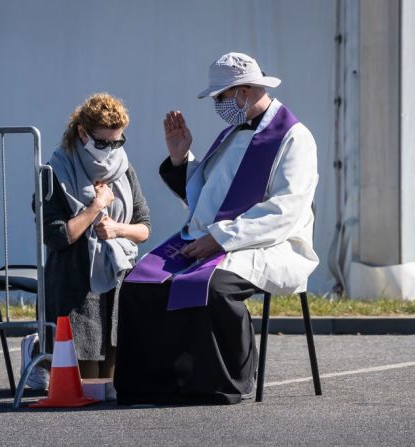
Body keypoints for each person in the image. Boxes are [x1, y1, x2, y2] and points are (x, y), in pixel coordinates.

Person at [114, 52, 319, 405]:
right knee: (139, 286)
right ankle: (156, 384)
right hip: (209, 237)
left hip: (270, 242)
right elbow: (207, 195)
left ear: (247, 90)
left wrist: (221, 239)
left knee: (213, 286)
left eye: (222, 97)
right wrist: (181, 158)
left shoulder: (294, 138)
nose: (219, 105)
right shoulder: (231, 135)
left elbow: (285, 209)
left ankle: (228, 382)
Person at [25, 93, 150, 389]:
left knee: (113, 388)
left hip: (117, 279)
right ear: (82, 133)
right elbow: (55, 237)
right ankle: (38, 350)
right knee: (88, 386)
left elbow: (144, 227)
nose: (110, 149)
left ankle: (41, 349)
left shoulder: (124, 169)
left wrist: (117, 229)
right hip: (75, 280)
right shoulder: (55, 171)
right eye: (102, 143)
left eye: (117, 142)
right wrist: (96, 207)